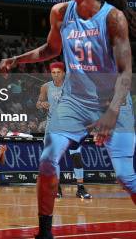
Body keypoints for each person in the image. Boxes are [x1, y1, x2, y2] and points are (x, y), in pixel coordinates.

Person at [0, 0, 136, 239]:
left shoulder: (113, 18)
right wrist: (17, 59)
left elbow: (125, 71)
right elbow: (52, 49)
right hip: (74, 101)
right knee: (48, 158)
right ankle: (45, 233)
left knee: (125, 176)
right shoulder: (60, 12)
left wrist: (111, 113)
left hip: (113, 101)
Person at [36, 62, 92, 199]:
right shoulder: (45, 87)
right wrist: (42, 104)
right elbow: (38, 103)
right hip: (53, 126)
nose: (56, 75)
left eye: (58, 72)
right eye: (53, 72)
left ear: (63, 73)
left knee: (76, 157)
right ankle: (56, 188)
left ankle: (80, 188)